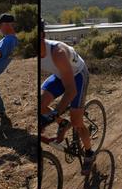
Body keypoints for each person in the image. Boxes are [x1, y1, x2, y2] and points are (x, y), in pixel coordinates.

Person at [40, 17, 94, 175]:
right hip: (60, 74)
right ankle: (63, 124)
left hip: (77, 75)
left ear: (42, 35)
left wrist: (54, 113)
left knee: (77, 121)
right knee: (41, 104)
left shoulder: (57, 52)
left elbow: (71, 90)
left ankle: (89, 153)